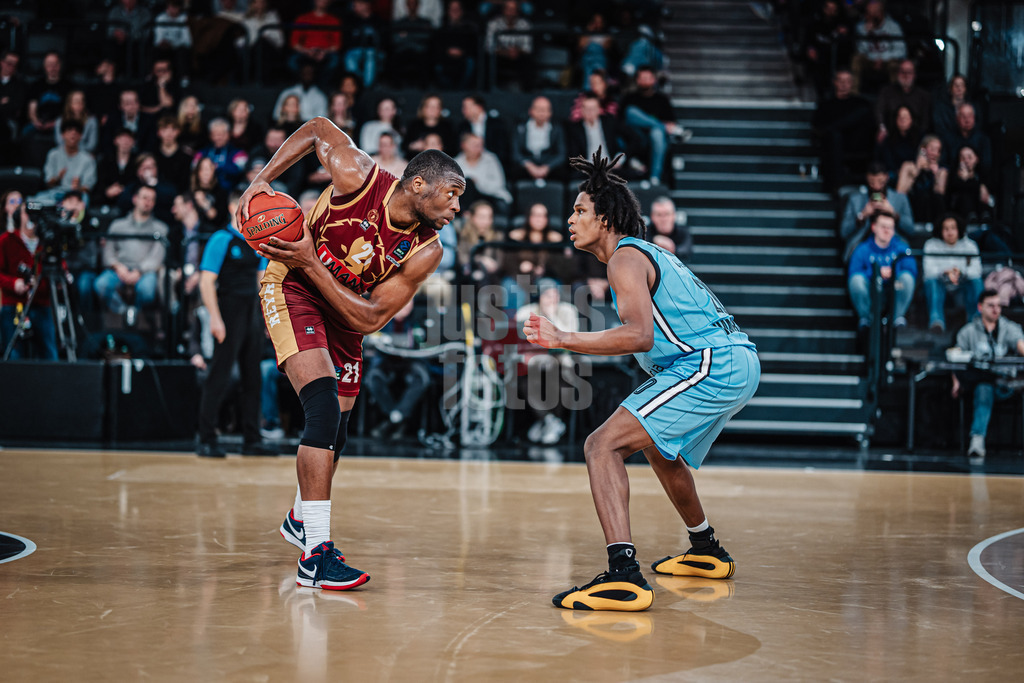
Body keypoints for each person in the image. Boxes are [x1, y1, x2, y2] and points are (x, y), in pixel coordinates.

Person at [523, 151, 759, 611]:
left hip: (710, 364)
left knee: (601, 445)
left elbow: (638, 335)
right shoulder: (644, 255)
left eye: (579, 210)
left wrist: (563, 337)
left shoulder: (624, 258)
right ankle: (706, 549)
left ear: (606, 218)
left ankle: (623, 575)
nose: (570, 219)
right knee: (657, 445)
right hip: (733, 359)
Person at [237, 116, 465, 590]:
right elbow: (318, 127)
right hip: (292, 287)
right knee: (320, 410)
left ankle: (301, 519)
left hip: (345, 312)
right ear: (418, 184)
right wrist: (262, 179)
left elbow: (369, 319)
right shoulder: (357, 174)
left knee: (337, 432)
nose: (457, 207)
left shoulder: (426, 250)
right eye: (452, 193)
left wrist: (311, 259)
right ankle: (314, 556)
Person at [196, 194, 276, 458]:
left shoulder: (257, 241)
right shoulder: (221, 238)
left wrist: (266, 317)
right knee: (219, 374)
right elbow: (206, 282)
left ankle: (251, 439)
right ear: (233, 206)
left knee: (252, 378)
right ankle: (207, 438)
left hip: (251, 312)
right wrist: (215, 319)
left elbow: (262, 282)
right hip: (228, 313)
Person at [952, 290, 1024, 459]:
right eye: (991, 305)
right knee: (984, 389)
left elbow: (1020, 344)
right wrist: (956, 383)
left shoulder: (1008, 327)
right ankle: (977, 441)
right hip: (980, 385)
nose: (995, 310)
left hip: (1006, 383)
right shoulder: (968, 331)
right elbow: (955, 361)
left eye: (998, 306)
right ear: (980, 307)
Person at [96, 185, 168, 324]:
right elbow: (108, 251)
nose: (148, 202)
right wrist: (118, 267)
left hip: (145, 272)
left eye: (152, 200)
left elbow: (157, 257)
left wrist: (139, 271)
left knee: (147, 290)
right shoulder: (118, 225)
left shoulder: (160, 228)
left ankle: (137, 313)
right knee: (101, 285)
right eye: (144, 198)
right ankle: (124, 311)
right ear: (135, 199)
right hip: (119, 269)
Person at [0, 199, 58, 360]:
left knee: (50, 353)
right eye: (28, 212)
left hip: (41, 304)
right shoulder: (6, 240)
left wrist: (42, 282)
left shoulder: (48, 243)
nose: (32, 217)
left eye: (36, 213)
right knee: (12, 355)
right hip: (13, 303)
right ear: (20, 216)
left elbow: (60, 270)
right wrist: (13, 283)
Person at [847, 211, 916, 330]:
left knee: (907, 278)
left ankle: (897, 318)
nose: (887, 230)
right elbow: (853, 271)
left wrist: (893, 273)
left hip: (894, 288)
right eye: (883, 227)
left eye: (890, 227)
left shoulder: (902, 247)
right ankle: (867, 318)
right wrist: (876, 273)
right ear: (874, 227)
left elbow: (911, 269)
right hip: (871, 289)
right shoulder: (862, 249)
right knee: (856, 281)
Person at [619, 66, 688, 184]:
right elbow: (623, 119)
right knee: (631, 112)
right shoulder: (630, 98)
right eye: (643, 78)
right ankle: (666, 128)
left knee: (656, 132)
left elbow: (671, 121)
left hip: (656, 140)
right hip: (636, 136)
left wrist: (661, 126)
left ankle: (654, 177)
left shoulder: (662, 99)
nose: (646, 81)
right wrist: (665, 126)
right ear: (637, 80)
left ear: (654, 80)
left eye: (648, 78)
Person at [813, 69, 875, 193]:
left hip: (857, 142)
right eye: (841, 81)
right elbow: (818, 127)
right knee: (834, 136)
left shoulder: (860, 103)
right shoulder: (826, 104)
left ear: (852, 83)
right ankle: (837, 186)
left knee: (863, 112)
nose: (844, 85)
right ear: (835, 82)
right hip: (833, 146)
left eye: (847, 81)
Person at [839, 161, 914, 263]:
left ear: (887, 177)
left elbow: (910, 229)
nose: (876, 187)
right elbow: (844, 232)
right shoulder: (855, 200)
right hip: (862, 244)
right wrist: (863, 215)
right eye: (872, 182)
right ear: (867, 178)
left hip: (893, 244)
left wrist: (893, 213)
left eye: (880, 182)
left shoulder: (900, 199)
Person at [923, 213, 983, 334]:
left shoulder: (969, 245)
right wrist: (945, 272)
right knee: (931, 282)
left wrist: (960, 272)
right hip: (940, 284)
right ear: (940, 230)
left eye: (953, 228)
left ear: (959, 229)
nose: (950, 232)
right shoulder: (931, 244)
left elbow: (977, 270)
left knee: (976, 282)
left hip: (962, 284)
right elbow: (928, 271)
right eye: (946, 228)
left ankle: (976, 321)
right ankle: (936, 321)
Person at [851, 0, 906, 94]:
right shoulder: (861, 27)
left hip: (888, 60)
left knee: (895, 65)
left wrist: (882, 58)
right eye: (867, 13)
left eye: (871, 13)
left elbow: (901, 51)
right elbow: (861, 50)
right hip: (869, 59)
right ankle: (853, 94)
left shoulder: (893, 26)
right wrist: (866, 33)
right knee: (856, 59)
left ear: (880, 13)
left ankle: (896, 96)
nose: (868, 16)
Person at [896, 134, 947, 227]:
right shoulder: (908, 166)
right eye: (932, 149)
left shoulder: (941, 171)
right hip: (912, 204)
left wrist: (936, 176)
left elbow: (939, 194)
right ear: (923, 149)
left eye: (938, 150)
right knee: (922, 196)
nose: (935, 153)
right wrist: (917, 170)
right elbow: (900, 192)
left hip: (931, 209)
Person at [288, 0, 342, 88]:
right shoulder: (303, 18)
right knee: (292, 61)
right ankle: (300, 85)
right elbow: (294, 43)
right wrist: (307, 51)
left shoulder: (334, 20)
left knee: (335, 61)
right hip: (305, 52)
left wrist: (324, 52)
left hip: (325, 53)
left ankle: (321, 86)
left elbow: (336, 45)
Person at [511, 95, 566, 181]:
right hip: (527, 166)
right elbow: (515, 153)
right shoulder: (521, 128)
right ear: (531, 111)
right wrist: (529, 166)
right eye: (538, 109)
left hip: (549, 166)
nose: (541, 113)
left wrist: (547, 167)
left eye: (545, 110)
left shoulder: (556, 130)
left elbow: (561, 155)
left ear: (550, 112)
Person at [875, 60, 931, 144]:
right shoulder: (886, 92)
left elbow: (925, 122)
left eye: (909, 72)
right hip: (890, 137)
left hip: (915, 140)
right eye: (902, 72)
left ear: (914, 75)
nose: (906, 75)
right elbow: (879, 111)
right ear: (898, 74)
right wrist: (882, 128)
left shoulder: (923, 96)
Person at [40, 119, 97, 201]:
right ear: (62, 135)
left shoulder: (88, 159)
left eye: (77, 132)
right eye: (69, 130)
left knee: (84, 199)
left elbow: (87, 188)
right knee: (38, 199)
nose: (73, 134)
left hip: (76, 195)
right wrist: (58, 178)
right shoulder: (53, 154)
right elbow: (48, 182)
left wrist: (78, 188)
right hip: (55, 193)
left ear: (81, 136)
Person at [485, 0, 533, 91]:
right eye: (508, 9)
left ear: (517, 12)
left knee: (528, 61)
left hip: (518, 57)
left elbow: (527, 48)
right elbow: (489, 47)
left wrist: (516, 51)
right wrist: (506, 52)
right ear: (503, 10)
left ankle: (526, 92)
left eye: (513, 10)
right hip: (500, 57)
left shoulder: (525, 25)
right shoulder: (493, 24)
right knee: (488, 60)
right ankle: (489, 90)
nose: (511, 13)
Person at [54, 90, 99, 155]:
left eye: (81, 100)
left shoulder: (92, 121)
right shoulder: (60, 121)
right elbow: (59, 142)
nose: (79, 103)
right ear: (70, 103)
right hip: (64, 153)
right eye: (76, 100)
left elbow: (92, 145)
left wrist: (76, 150)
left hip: (84, 154)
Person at [648, 196, 692, 262]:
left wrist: (672, 248)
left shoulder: (682, 231)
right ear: (652, 217)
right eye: (659, 215)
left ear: (674, 215)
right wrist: (654, 241)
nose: (663, 219)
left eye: (667, 214)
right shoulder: (645, 231)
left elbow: (686, 250)